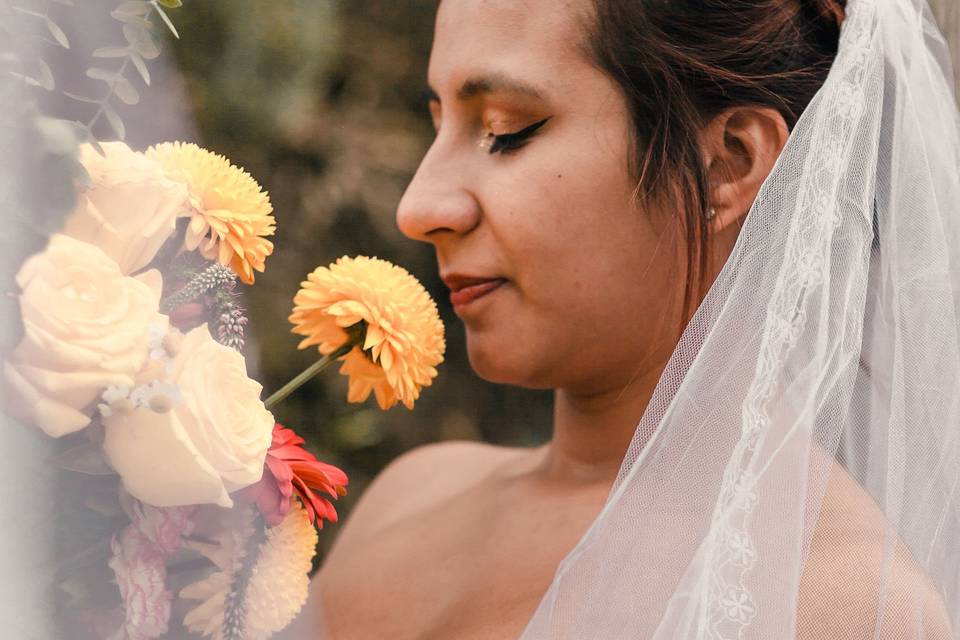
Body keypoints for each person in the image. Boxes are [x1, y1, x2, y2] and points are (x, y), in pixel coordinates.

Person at [296, 0, 960, 637]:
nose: (418, 206)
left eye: (504, 130)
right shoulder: (407, 501)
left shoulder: (837, 606)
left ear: (728, 160)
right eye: (436, 123)